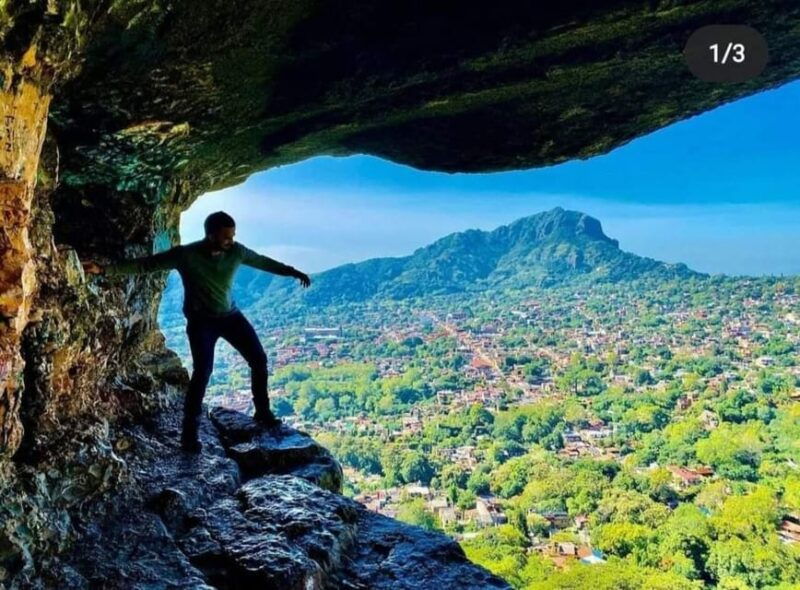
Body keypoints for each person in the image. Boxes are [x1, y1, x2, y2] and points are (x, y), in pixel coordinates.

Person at [81, 211, 311, 453]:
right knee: (202, 373)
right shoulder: (186, 255)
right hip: (202, 322)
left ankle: (262, 412)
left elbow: (264, 262)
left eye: (232, 236)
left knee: (259, 359)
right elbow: (146, 265)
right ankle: (189, 435)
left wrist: (293, 272)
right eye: (225, 237)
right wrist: (103, 270)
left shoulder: (236, 252)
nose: (230, 241)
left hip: (230, 316)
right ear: (210, 235)